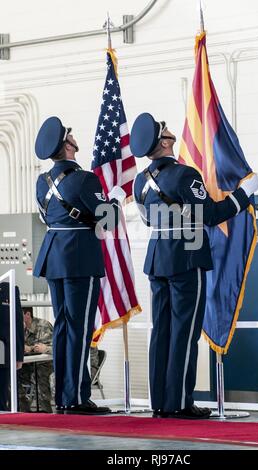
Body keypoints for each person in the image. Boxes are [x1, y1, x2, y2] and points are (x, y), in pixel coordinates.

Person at [131, 112, 258, 420]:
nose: (172, 131)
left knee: (161, 331)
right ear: (164, 141)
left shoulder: (141, 181)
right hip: (185, 255)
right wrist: (245, 193)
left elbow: (149, 219)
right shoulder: (184, 175)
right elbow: (211, 215)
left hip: (158, 254)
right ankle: (179, 403)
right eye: (167, 130)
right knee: (184, 333)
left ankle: (161, 402)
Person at [33, 116, 125, 415]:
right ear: (68, 146)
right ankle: (76, 398)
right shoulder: (84, 179)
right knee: (80, 328)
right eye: (71, 137)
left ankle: (63, 396)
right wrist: (116, 201)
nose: (75, 140)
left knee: (62, 327)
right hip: (78, 257)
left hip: (53, 255)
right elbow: (107, 221)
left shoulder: (42, 181)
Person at [18, 307, 53, 413]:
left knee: (40, 373)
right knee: (13, 374)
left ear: (27, 315)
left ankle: (45, 410)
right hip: (31, 363)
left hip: (47, 363)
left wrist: (31, 348)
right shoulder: (23, 329)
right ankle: (23, 408)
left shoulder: (43, 326)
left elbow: (57, 347)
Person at [0, 283, 24, 411]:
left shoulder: (9, 290)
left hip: (3, 353)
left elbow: (18, 323)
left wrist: (19, 355)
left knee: (2, 399)